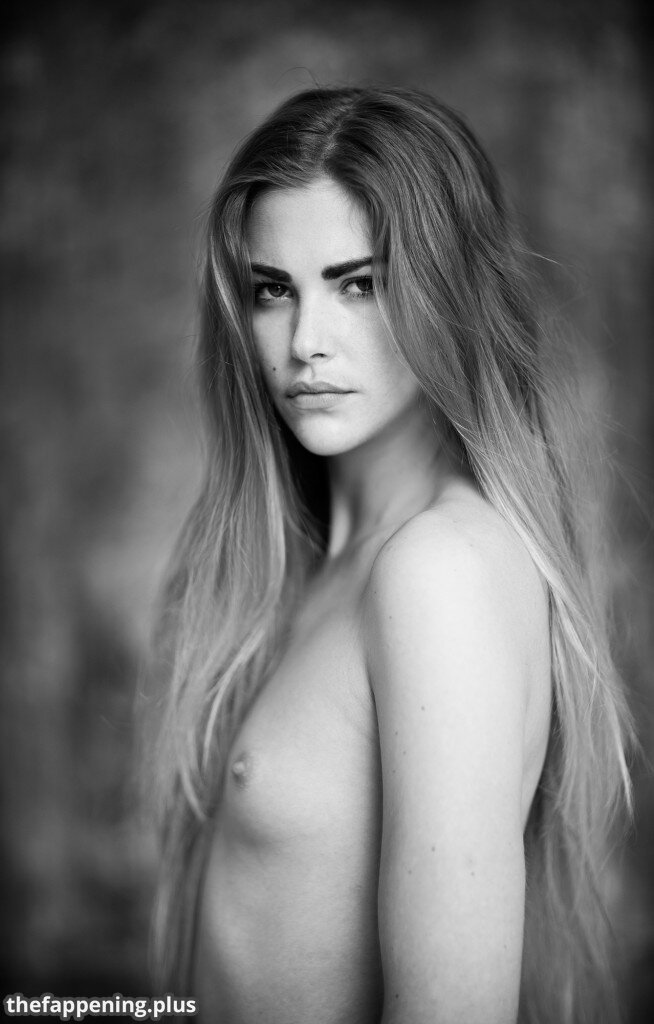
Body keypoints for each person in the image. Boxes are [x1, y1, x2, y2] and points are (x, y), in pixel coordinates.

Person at [149, 86, 633, 1024]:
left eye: (358, 284)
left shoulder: (438, 572)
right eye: (273, 290)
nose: (306, 343)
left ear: (447, 291)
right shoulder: (313, 562)